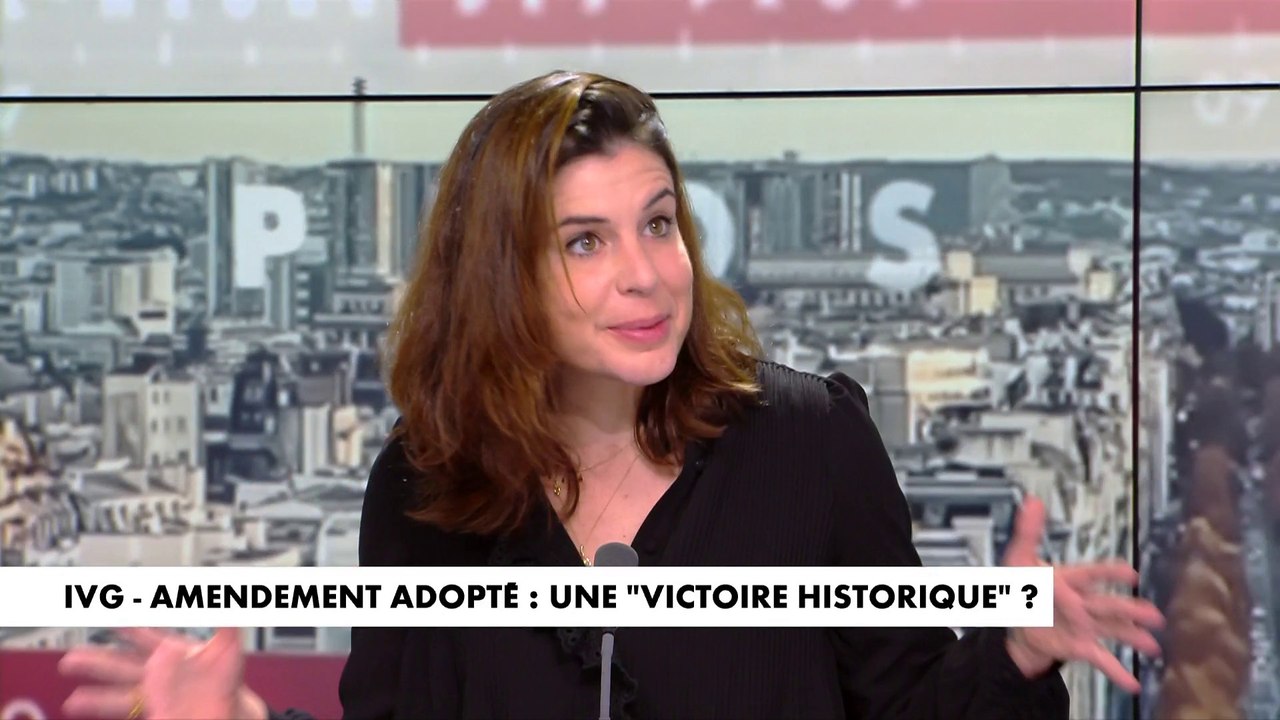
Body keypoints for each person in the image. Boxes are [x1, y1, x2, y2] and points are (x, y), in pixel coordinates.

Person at [57, 70, 1163, 720]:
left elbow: (908, 710)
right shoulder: (426, 487)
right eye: (584, 241)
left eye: (658, 223)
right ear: (500, 277)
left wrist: (1016, 652)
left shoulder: (808, 443)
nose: (646, 274)